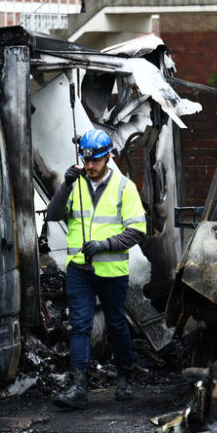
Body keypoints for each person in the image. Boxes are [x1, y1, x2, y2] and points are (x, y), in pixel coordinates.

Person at [47, 129, 146, 409]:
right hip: (79, 268)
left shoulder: (124, 187)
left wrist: (104, 245)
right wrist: (65, 185)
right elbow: (54, 215)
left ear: (107, 157)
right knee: (80, 326)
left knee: (116, 324)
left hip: (111, 271)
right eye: (86, 161)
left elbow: (138, 231)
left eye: (96, 161)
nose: (90, 166)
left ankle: (125, 377)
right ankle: (78, 387)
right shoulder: (75, 184)